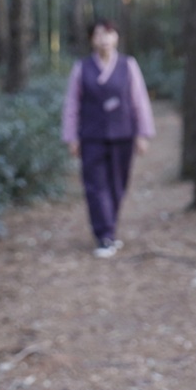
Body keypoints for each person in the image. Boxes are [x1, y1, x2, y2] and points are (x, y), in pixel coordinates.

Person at [61, 18, 155, 258]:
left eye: (109, 33)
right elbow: (72, 104)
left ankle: (109, 229)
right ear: (92, 39)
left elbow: (139, 101)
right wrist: (71, 137)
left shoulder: (128, 65)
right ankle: (103, 235)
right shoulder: (81, 68)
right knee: (95, 186)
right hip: (91, 136)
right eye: (98, 34)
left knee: (117, 185)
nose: (104, 39)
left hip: (123, 134)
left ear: (116, 38)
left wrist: (143, 133)